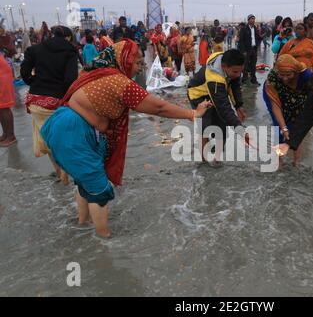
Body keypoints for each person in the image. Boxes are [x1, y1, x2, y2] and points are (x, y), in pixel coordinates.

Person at [40, 39, 212, 237]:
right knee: (98, 189)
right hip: (73, 131)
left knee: (84, 181)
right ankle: (104, 242)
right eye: (138, 63)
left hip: (66, 125)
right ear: (124, 60)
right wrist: (192, 114)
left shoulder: (96, 72)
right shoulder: (118, 82)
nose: (141, 68)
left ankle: (83, 224)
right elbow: (158, 107)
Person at [20, 25, 78, 183]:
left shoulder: (36, 49)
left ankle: (59, 173)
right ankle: (66, 172)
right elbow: (70, 80)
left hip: (37, 101)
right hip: (58, 102)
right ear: (67, 37)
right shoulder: (70, 51)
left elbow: (24, 71)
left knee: (47, 139)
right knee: (63, 139)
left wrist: (34, 82)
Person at [187, 49, 247, 155]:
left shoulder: (230, 65)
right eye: (235, 72)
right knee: (205, 127)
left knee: (222, 127)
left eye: (240, 71)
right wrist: (240, 129)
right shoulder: (215, 79)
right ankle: (203, 161)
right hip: (198, 95)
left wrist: (239, 105)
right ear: (224, 66)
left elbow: (235, 86)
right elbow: (224, 107)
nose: (238, 75)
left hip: (215, 92)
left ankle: (217, 156)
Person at [263, 54, 312, 165]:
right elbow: (276, 106)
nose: (285, 78)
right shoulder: (272, 78)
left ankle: (296, 161)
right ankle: (279, 161)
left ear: (295, 72)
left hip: (299, 96)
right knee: (278, 126)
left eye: (288, 75)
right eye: (282, 75)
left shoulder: (306, 75)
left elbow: (312, 98)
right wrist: (284, 128)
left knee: (296, 125)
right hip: (275, 95)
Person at [0, 51, 16, 147]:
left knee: (4, 107)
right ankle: (5, 134)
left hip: (2, 75)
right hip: (3, 72)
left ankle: (11, 136)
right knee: (0, 107)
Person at [240, 15, 261, 85]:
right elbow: (241, 40)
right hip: (247, 50)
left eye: (254, 19)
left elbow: (257, 38)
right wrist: (243, 51)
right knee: (245, 65)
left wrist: (258, 44)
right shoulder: (244, 29)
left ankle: (253, 80)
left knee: (253, 65)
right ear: (248, 20)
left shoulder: (255, 28)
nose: (253, 20)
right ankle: (244, 79)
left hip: (254, 49)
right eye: (251, 19)